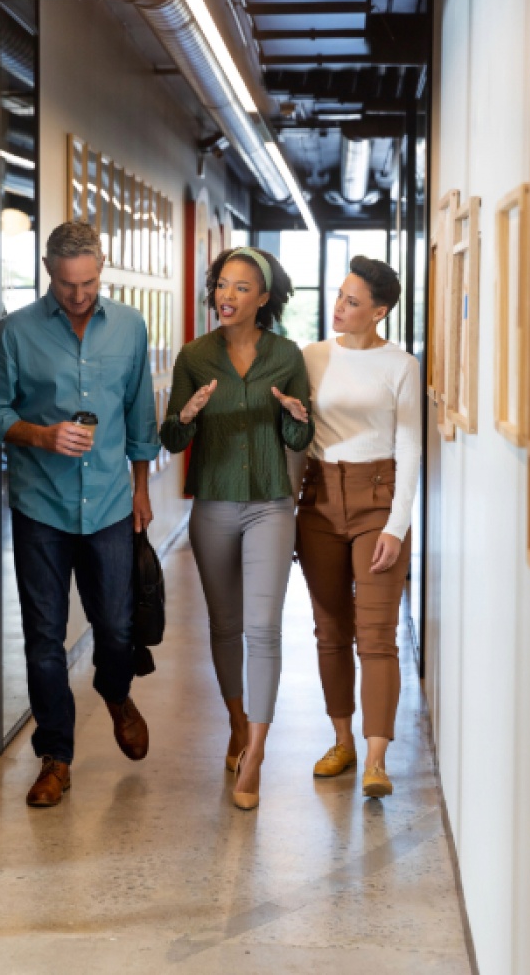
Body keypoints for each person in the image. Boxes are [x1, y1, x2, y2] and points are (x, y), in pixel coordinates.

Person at [0, 221, 160, 808]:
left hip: (108, 502)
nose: (79, 294)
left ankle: (117, 693)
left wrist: (141, 488)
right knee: (43, 640)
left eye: (89, 281)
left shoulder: (128, 326)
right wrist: (38, 434)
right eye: (66, 283)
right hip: (40, 507)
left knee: (117, 628)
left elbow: (139, 413)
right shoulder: (17, 332)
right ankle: (56, 756)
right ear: (48, 271)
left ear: (101, 269)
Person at [161, 246, 314, 811]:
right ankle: (234, 720)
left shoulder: (286, 355)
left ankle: (255, 751)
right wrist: (185, 416)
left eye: (241, 287)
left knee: (263, 628)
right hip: (214, 507)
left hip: (271, 504)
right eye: (222, 285)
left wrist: (298, 421)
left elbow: (299, 438)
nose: (227, 296)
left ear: (264, 298)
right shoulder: (195, 357)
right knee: (225, 626)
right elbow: (172, 440)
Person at [294, 256, 421, 799]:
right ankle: (341, 741)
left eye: (352, 301)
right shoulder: (310, 357)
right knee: (330, 632)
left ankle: (376, 759)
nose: (339, 307)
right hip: (319, 501)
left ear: (379, 312)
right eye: (339, 296)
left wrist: (397, 526)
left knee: (376, 635)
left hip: (378, 501)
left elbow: (411, 447)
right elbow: (295, 434)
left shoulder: (401, 365)